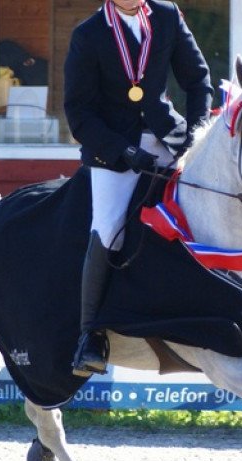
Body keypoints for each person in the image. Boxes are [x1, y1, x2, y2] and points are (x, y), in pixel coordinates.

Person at [64, 0, 213, 377]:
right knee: (110, 227)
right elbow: (79, 113)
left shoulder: (166, 15)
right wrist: (125, 151)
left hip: (171, 138)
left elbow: (198, 81)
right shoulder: (88, 34)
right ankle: (90, 335)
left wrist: (196, 137)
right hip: (114, 149)